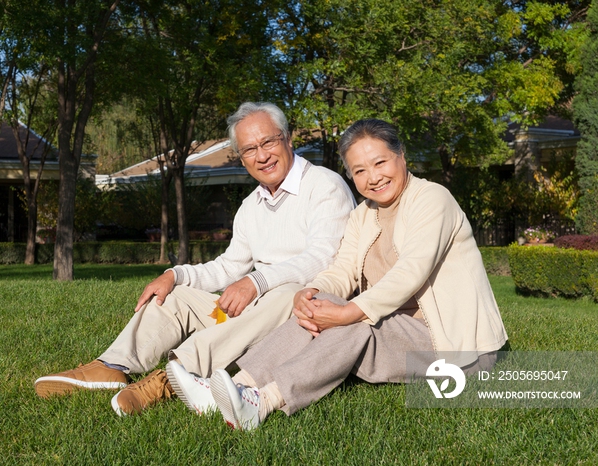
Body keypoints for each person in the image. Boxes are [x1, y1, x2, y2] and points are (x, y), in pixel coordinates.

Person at [168, 118, 508, 430]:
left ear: (401, 156)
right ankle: (236, 387)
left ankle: (263, 402)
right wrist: (311, 291)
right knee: (325, 304)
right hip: (395, 332)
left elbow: (410, 272)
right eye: (359, 171)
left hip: (456, 347)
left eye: (380, 162)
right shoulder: (363, 215)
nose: (373, 177)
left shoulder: (432, 199)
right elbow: (342, 271)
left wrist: (349, 311)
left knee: (354, 320)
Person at [34, 102, 355, 417]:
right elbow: (231, 266)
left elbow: (323, 259)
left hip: (301, 313)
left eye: (268, 142)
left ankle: (175, 376)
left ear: (287, 139)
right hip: (256, 309)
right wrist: (175, 275)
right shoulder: (251, 205)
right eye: (249, 149)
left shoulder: (325, 186)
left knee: (286, 292)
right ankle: (113, 366)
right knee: (173, 296)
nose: (261, 155)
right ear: (241, 158)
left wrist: (256, 282)